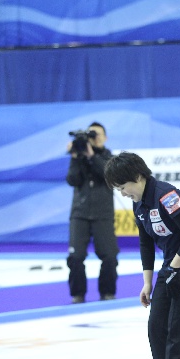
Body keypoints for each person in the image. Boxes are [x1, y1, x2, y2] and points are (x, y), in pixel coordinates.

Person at [104, 152, 180, 359]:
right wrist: (147, 283)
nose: (123, 194)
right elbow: (146, 243)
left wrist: (172, 269)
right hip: (171, 268)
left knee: (178, 332)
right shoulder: (140, 204)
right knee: (156, 329)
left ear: (137, 176)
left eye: (123, 187)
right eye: (118, 190)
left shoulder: (166, 196)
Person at [66, 121, 119, 304]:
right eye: (91, 135)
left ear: (105, 137)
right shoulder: (78, 157)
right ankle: (78, 294)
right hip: (79, 214)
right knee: (75, 256)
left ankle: (107, 293)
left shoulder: (109, 157)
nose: (94, 138)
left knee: (110, 256)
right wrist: (75, 157)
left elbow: (107, 174)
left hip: (103, 214)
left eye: (98, 135)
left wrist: (91, 156)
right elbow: (72, 180)